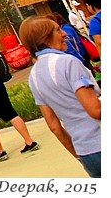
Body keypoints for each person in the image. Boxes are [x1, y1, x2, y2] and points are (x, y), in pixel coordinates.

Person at [19, 16, 101, 178]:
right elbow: (95, 110)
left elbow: (54, 126)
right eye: (58, 30)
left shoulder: (34, 76)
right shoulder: (69, 62)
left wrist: (78, 155)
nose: (65, 34)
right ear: (45, 39)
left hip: (86, 153)